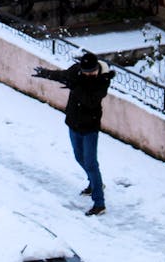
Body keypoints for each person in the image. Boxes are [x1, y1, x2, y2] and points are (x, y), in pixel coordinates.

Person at [33, 51, 114, 216]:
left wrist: (75, 86)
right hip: (73, 123)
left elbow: (91, 101)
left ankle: (99, 203)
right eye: (86, 72)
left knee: (91, 163)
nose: (90, 75)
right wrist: (45, 73)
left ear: (97, 69)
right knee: (79, 157)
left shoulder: (102, 81)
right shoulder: (76, 72)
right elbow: (62, 75)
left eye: (92, 72)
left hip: (90, 127)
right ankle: (94, 183)